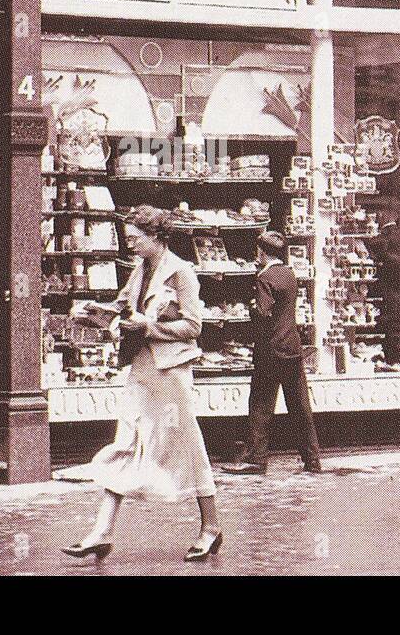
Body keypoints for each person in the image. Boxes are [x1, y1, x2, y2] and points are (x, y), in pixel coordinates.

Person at [64, 205, 222, 562]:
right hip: (141, 369)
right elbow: (121, 310)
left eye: (135, 238)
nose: (130, 244)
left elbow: (193, 326)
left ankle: (210, 527)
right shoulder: (138, 270)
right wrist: (93, 312)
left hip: (170, 373)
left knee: (186, 446)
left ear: (157, 237)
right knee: (127, 442)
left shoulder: (182, 273)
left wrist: (150, 328)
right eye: (128, 238)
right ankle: (101, 532)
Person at [222, 230, 321, 476]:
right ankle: (312, 460)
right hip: (292, 347)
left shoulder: (264, 278)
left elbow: (262, 312)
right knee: (300, 406)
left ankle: (257, 459)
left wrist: (250, 308)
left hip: (270, 351)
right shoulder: (289, 274)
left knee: (260, 405)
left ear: (262, 252)